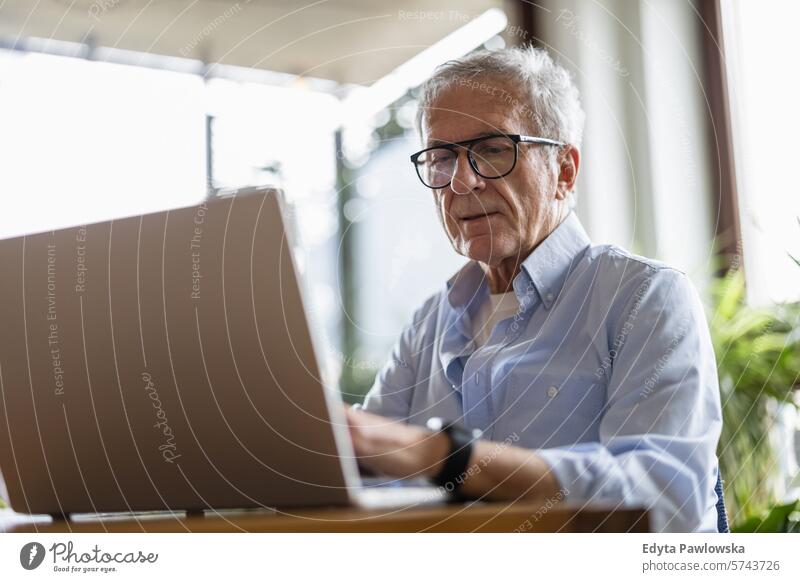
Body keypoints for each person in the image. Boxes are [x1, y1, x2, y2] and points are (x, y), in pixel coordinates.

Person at [344, 45, 722, 532]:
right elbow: (363, 466)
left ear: (563, 171)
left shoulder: (643, 297)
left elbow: (664, 498)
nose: (460, 182)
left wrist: (448, 458)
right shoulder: (429, 323)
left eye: (492, 150)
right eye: (441, 157)